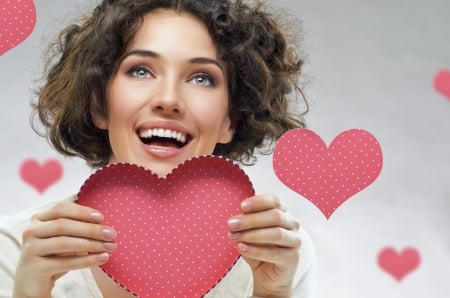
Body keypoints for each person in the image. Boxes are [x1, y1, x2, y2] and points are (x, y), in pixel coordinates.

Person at [0, 0, 316, 297]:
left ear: (230, 120)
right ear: (98, 105)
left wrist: (271, 294)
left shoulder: (280, 256)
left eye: (202, 78)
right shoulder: (13, 250)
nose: (168, 99)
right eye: (140, 70)